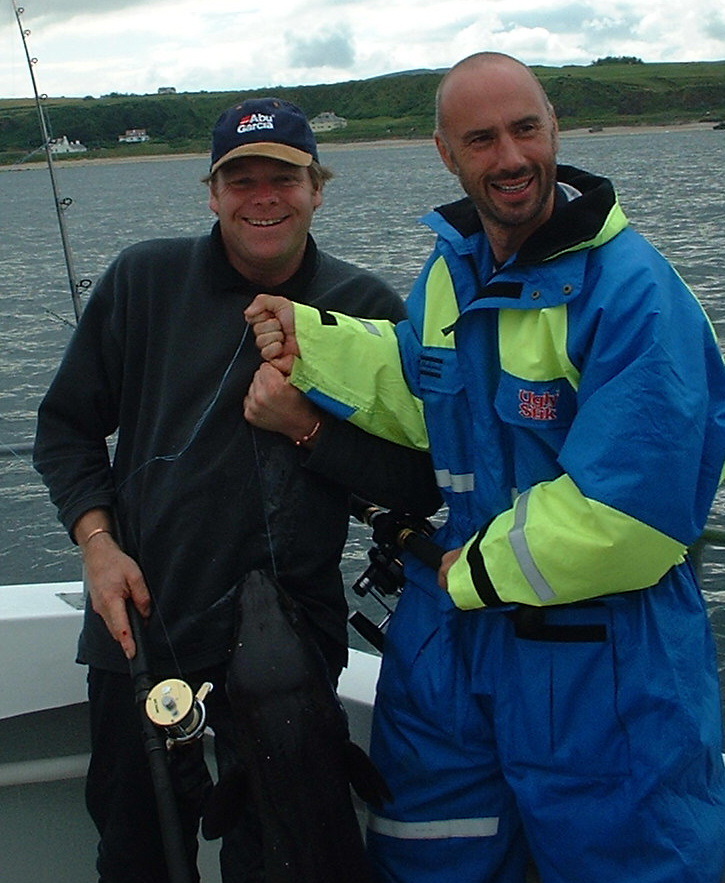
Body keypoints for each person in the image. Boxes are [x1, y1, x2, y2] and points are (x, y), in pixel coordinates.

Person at [245, 55, 725, 883]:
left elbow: (634, 515)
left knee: (631, 861)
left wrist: (466, 570)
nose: (508, 157)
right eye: (481, 138)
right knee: (435, 858)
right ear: (445, 153)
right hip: (452, 646)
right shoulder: (452, 272)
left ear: (553, 130)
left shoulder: (633, 293)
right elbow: (423, 391)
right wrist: (312, 340)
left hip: (601, 662)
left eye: (524, 129)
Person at [33, 97, 440, 883]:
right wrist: (97, 544)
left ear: (317, 187)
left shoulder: (368, 313)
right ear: (211, 193)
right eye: (240, 179)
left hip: (289, 650)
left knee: (284, 863)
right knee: (135, 856)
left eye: (283, 178)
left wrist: (308, 429)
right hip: (141, 627)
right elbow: (64, 429)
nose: (263, 198)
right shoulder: (142, 281)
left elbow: (418, 484)